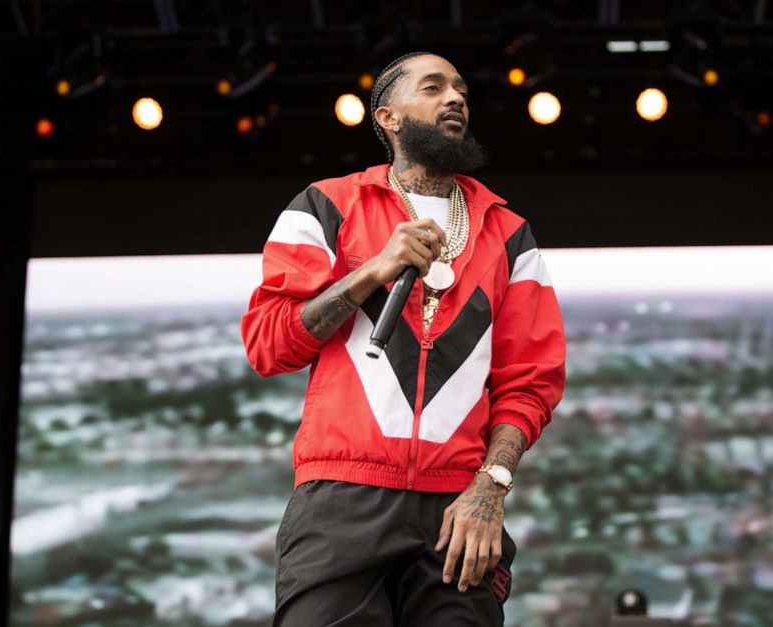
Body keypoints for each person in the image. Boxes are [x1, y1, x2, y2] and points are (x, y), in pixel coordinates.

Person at [240, 51, 566, 626]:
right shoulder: (324, 206)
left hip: (458, 510)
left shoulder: (511, 235)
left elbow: (531, 383)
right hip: (341, 498)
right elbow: (269, 344)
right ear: (387, 118)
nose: (455, 99)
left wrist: (490, 490)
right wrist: (371, 270)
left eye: (461, 90)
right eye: (434, 87)